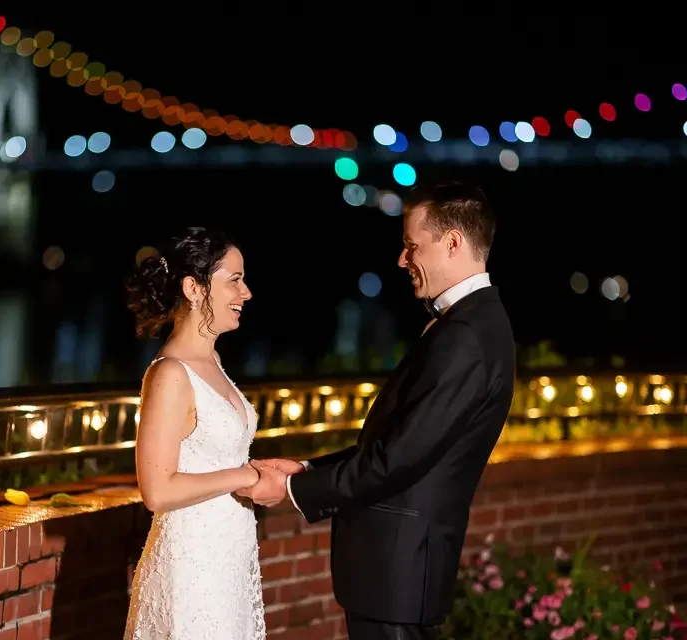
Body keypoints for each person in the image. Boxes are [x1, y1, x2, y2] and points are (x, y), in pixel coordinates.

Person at [240, 182, 515, 640]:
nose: (402, 260)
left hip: (398, 572)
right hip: (396, 572)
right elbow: (400, 443)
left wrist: (291, 488)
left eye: (412, 246)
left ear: (452, 242)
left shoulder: (466, 334)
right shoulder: (471, 323)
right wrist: (307, 467)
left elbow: (397, 459)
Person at [122, 227, 266, 640]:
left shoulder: (213, 359)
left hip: (228, 561)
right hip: (190, 569)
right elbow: (157, 491)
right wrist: (245, 476)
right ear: (194, 288)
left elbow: (216, 457)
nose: (246, 293)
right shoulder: (170, 374)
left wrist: (257, 471)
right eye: (234, 280)